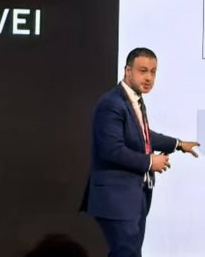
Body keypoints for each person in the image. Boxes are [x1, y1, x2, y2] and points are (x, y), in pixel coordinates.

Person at [82, 48, 199, 257]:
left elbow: (143, 136)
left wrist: (179, 144)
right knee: (127, 253)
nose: (149, 78)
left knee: (128, 253)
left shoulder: (135, 99)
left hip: (136, 195)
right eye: (143, 71)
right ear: (128, 71)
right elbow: (111, 150)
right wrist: (149, 162)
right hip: (116, 197)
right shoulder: (111, 103)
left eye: (153, 72)